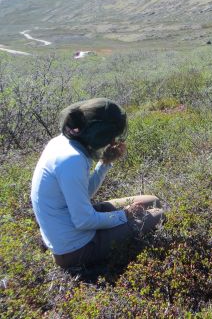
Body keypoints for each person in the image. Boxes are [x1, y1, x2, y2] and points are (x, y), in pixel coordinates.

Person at [31, 98, 165, 269]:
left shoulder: (61, 143)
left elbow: (84, 194)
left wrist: (105, 163)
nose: (112, 142)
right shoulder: (72, 160)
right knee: (159, 214)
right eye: (110, 136)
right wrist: (125, 215)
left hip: (73, 225)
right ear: (99, 132)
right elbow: (83, 221)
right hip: (76, 248)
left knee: (153, 201)